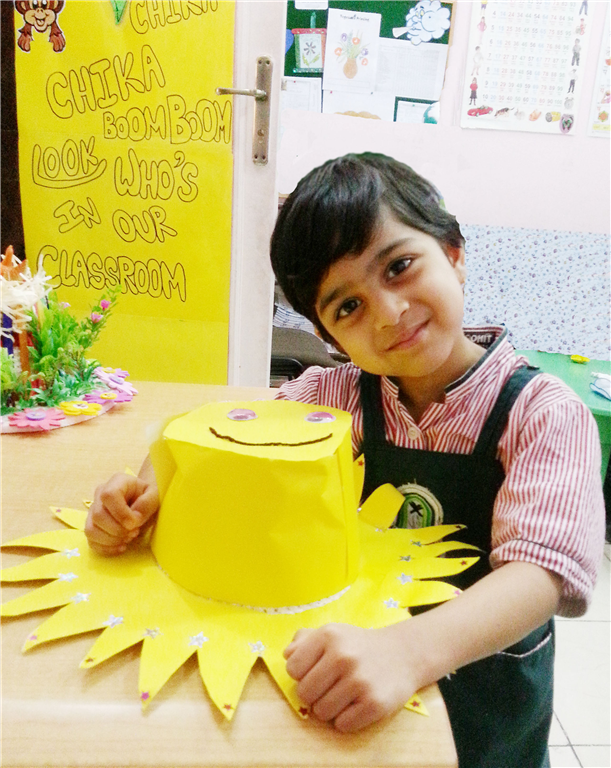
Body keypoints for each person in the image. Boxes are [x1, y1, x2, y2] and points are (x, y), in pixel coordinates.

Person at [85, 154, 605, 768]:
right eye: (348, 307)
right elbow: (214, 431)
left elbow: (541, 576)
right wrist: (147, 490)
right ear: (330, 339)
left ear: (454, 254)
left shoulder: (543, 412)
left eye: (399, 266)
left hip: (485, 698)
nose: (388, 312)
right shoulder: (334, 397)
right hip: (354, 692)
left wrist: (408, 652)